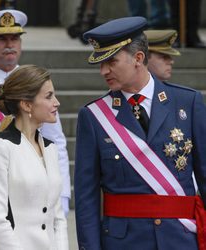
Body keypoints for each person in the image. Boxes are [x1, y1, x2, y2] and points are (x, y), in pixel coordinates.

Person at [74, 16, 206, 250]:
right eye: (100, 64)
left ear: (138, 58)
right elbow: (87, 197)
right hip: (124, 242)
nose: (104, 71)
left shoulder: (187, 103)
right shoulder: (94, 116)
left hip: (180, 238)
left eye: (111, 61)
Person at [0, 9, 70, 250]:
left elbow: (55, 142)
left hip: (35, 192)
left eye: (14, 38)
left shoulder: (38, 84)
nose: (9, 45)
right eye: (1, 39)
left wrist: (63, 193)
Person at [0, 64, 69, 250]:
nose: (57, 103)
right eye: (49, 96)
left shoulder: (50, 149)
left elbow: (57, 218)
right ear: (27, 104)